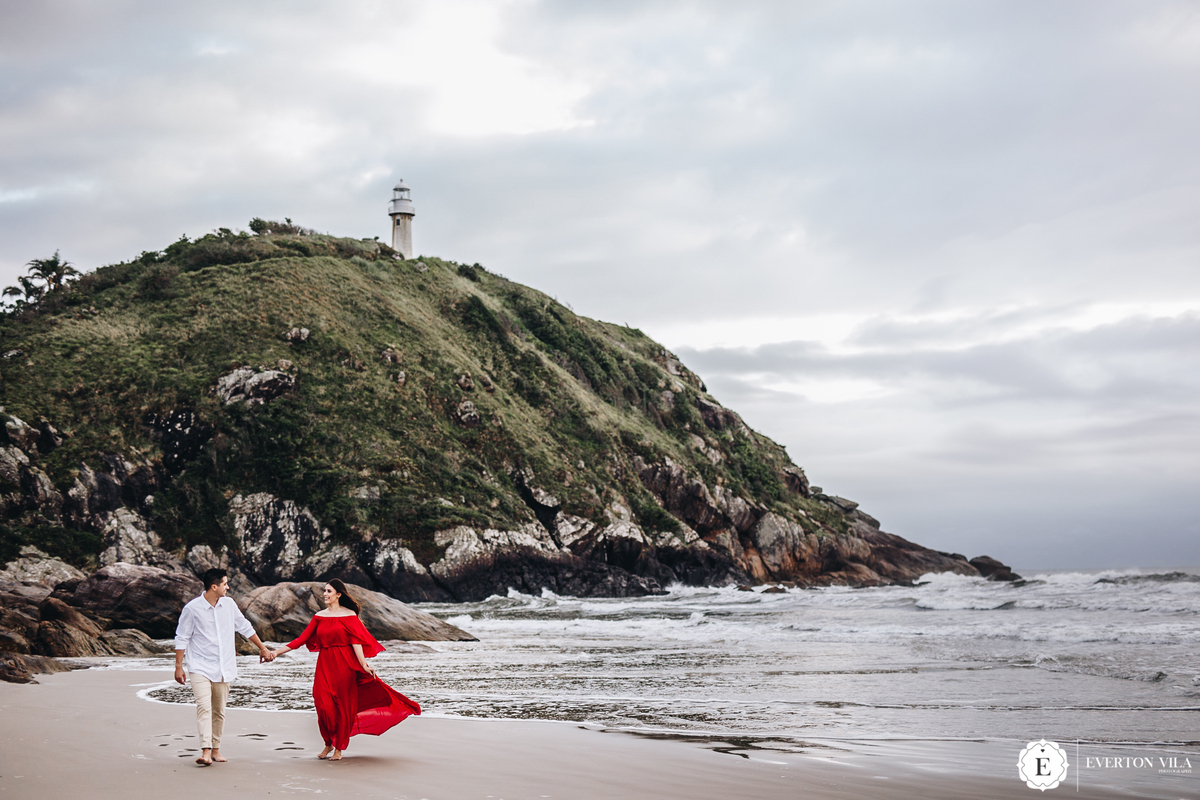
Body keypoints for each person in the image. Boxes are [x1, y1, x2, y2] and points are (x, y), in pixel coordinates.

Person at [269, 579, 421, 760]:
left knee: (342, 707)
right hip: (325, 665)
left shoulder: (349, 615)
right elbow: (300, 640)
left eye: (329, 591)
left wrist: (363, 665)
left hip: (345, 666)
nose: (325, 594)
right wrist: (275, 652)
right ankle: (328, 743)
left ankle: (338, 748)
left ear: (338, 594)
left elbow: (356, 642)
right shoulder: (319, 616)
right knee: (322, 705)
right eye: (324, 591)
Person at [174, 567, 275, 766]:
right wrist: (179, 666)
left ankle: (216, 749)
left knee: (219, 711)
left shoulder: (229, 604)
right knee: (204, 707)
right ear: (214, 586)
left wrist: (262, 648)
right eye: (225, 584)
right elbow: (182, 637)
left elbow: (244, 626)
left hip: (223, 666)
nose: (227, 587)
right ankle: (205, 751)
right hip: (199, 666)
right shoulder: (192, 609)